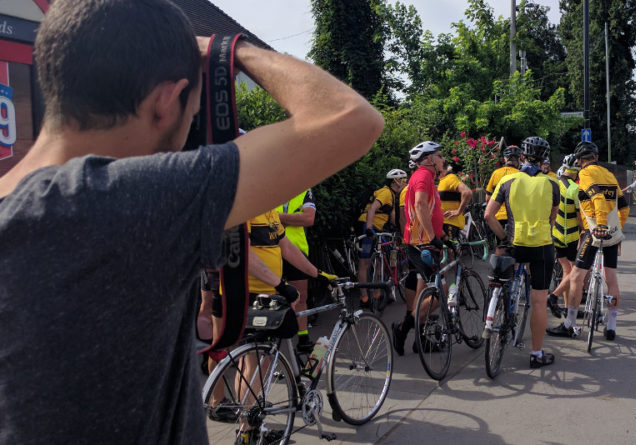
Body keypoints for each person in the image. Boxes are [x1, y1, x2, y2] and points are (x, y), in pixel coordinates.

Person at [0, 1, 384, 443]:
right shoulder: (135, 199)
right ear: (166, 101)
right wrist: (227, 51)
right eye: (194, 112)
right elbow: (351, 117)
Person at [484, 135, 559, 368]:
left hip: (515, 243)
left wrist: (504, 237)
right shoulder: (552, 184)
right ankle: (536, 354)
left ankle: (501, 309)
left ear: (522, 156)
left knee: (504, 281)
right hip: (542, 246)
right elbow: (552, 219)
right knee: (539, 300)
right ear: (544, 159)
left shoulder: (507, 180)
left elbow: (488, 215)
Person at [547, 141, 629, 341]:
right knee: (611, 278)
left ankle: (569, 324)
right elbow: (624, 207)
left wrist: (600, 225)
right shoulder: (609, 174)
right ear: (596, 157)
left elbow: (597, 198)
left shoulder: (585, 174)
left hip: (594, 231)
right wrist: (616, 229)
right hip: (612, 234)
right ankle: (611, 326)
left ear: (579, 161)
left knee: (576, 277)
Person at [392, 141, 446, 356]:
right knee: (439, 293)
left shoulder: (425, 176)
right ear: (429, 159)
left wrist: (441, 236)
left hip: (422, 241)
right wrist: (432, 237)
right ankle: (403, 328)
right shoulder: (423, 176)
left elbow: (429, 209)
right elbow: (420, 204)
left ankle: (420, 341)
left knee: (422, 291)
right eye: (439, 155)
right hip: (423, 243)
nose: (442, 159)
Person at [357, 169, 407, 308]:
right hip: (367, 226)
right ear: (395, 181)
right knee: (364, 262)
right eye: (403, 179)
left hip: (379, 229)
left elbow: (393, 218)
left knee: (381, 261)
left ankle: (377, 294)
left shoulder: (394, 196)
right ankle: (364, 298)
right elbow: (372, 208)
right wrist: (368, 228)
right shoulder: (385, 193)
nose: (405, 182)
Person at [277, 189, 317, 352]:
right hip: (272, 250)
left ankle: (303, 338)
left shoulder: (304, 190)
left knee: (301, 296)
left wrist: (278, 218)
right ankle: (272, 339)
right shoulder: (269, 188)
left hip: (297, 250)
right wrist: (294, 218)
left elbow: (308, 218)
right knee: (271, 297)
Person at [548, 154, 583, 318]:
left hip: (556, 234)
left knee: (566, 270)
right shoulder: (575, 189)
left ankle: (568, 308)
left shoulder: (554, 184)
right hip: (571, 236)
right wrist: (586, 229)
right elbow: (579, 217)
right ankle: (553, 296)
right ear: (576, 171)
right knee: (576, 272)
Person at [485, 145, 522, 249]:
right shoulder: (521, 175)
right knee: (517, 248)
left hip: (498, 218)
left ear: (505, 159)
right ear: (519, 160)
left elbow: (487, 197)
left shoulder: (496, 173)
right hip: (515, 218)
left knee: (501, 247)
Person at [438, 159, 474, 240]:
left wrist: (458, 211)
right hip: (445, 224)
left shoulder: (450, 178)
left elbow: (467, 192)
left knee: (451, 247)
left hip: (450, 224)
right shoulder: (443, 180)